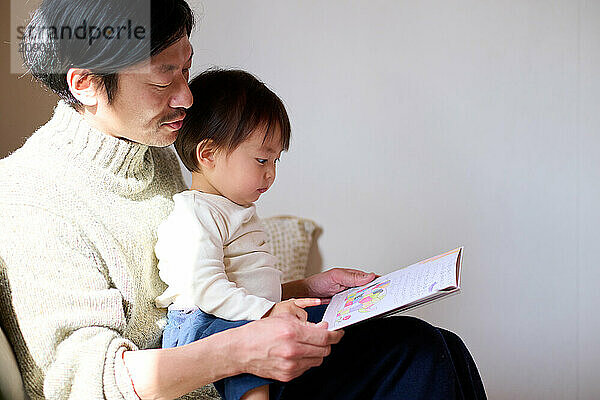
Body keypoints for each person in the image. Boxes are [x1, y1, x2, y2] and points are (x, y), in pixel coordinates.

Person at [0, 0, 487, 399]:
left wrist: (304, 288)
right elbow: (79, 382)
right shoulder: (32, 197)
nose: (187, 97)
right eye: (162, 79)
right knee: (419, 360)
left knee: (436, 347)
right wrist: (240, 351)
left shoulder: (157, 152)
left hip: (234, 368)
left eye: (186, 71)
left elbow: (200, 286)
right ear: (84, 83)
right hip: (218, 381)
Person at [154, 68, 330, 400]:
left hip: (238, 313)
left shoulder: (233, 208)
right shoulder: (196, 214)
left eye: (276, 161)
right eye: (262, 159)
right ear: (208, 155)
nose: (271, 174)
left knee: (319, 322)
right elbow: (206, 289)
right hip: (203, 324)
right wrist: (265, 312)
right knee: (247, 339)